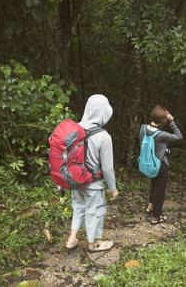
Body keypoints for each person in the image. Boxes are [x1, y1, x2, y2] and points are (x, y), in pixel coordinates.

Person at [64, 94, 119, 253]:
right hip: (93, 184)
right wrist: (113, 187)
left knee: (79, 208)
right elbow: (107, 168)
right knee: (95, 212)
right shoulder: (104, 136)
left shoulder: (74, 130)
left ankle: (72, 239)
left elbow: (63, 157)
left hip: (75, 181)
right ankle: (94, 243)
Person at [139, 105, 183, 225]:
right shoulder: (161, 135)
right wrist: (172, 123)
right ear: (164, 121)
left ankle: (150, 207)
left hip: (147, 163)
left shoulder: (142, 128)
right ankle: (155, 218)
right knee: (160, 190)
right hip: (160, 166)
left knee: (154, 184)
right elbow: (179, 136)